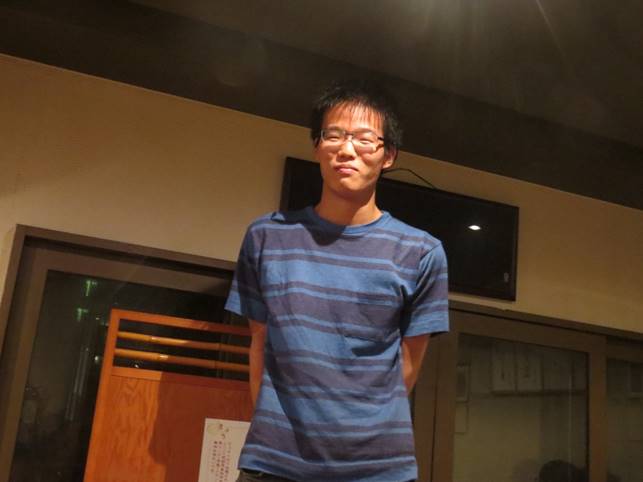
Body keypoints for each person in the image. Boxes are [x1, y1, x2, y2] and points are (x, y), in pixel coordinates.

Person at [225, 79, 449, 482]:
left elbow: (409, 366)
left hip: (378, 468)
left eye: (364, 139)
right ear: (317, 147)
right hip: (274, 463)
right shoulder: (266, 237)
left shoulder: (421, 252)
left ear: (388, 156)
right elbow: (259, 343)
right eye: (334, 135)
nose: (347, 150)